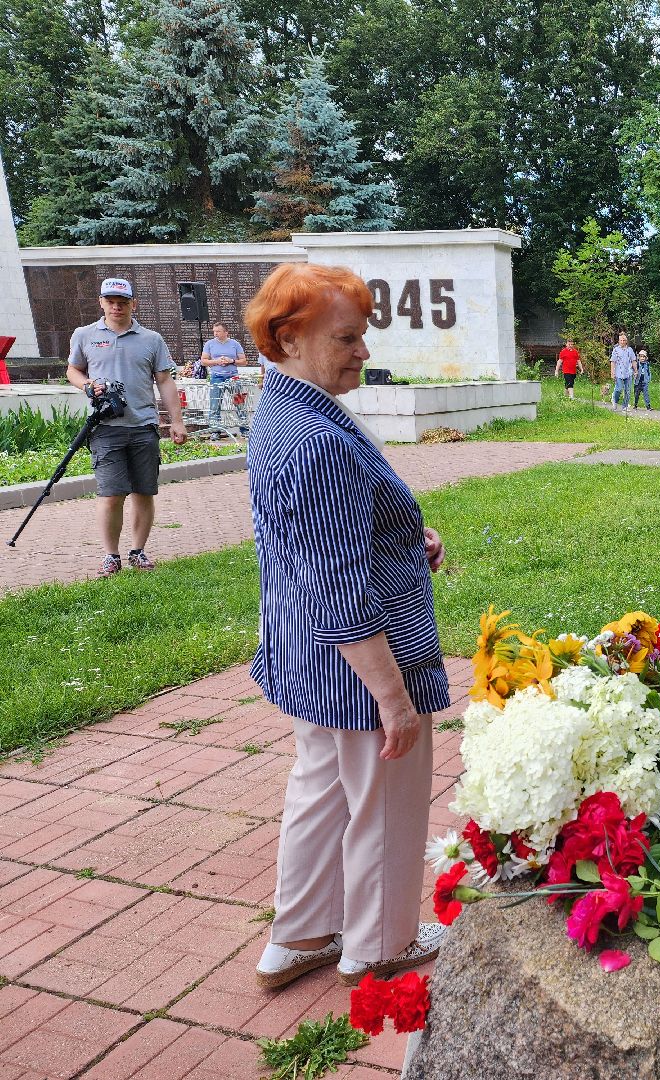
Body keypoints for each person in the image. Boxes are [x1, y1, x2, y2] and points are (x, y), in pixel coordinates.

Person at [243, 263, 449, 990]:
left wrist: (404, 538)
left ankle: (297, 936)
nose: (363, 351)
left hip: (308, 659)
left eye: (362, 336)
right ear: (288, 338)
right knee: (385, 806)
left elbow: (316, 538)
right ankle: (378, 946)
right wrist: (394, 699)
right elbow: (337, 586)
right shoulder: (317, 439)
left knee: (320, 794)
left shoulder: (283, 411)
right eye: (348, 338)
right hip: (361, 662)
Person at [65, 277, 188, 578]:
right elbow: (73, 369)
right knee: (111, 494)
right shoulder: (84, 335)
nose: (116, 306)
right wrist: (87, 385)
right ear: (101, 303)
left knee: (144, 492)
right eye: (111, 301)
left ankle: (138, 551)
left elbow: (164, 381)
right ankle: (111, 555)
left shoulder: (151, 339)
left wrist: (176, 420)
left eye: (122, 302)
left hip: (143, 425)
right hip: (106, 427)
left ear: (134, 303)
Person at [200, 321, 255, 432]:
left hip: (233, 377)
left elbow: (244, 361)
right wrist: (217, 361)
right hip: (216, 377)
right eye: (214, 331)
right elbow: (203, 361)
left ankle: (244, 430)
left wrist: (232, 361)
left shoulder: (235, 344)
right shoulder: (209, 344)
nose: (215, 334)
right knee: (215, 405)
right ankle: (215, 431)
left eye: (218, 331)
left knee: (239, 404)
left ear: (226, 332)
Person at [610, 333, 636, 408]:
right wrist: (612, 373)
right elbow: (613, 362)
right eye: (620, 340)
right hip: (619, 374)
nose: (622, 342)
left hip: (628, 373)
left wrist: (636, 371)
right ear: (618, 341)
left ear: (626, 341)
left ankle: (624, 406)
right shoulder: (616, 350)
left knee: (628, 391)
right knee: (618, 389)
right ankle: (614, 399)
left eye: (624, 340)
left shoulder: (630, 350)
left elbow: (633, 361)